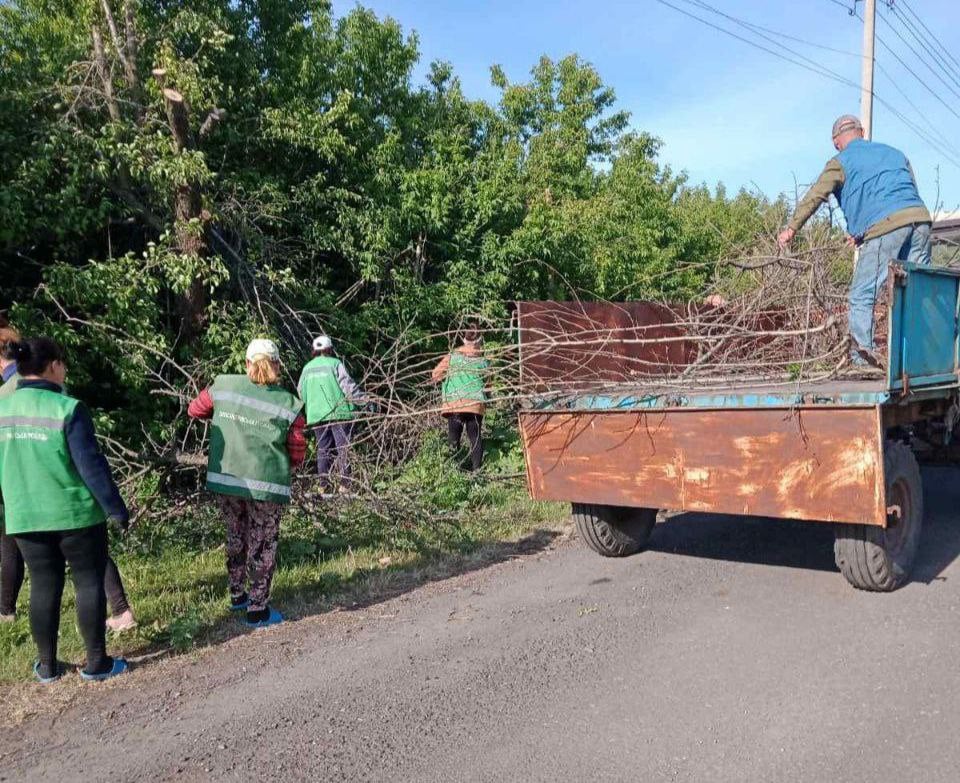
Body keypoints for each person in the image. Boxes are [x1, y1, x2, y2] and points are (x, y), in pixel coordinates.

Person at [0, 337, 129, 682]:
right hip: (75, 514)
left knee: (43, 586)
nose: (66, 370)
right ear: (53, 365)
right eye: (64, 363)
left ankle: (47, 667)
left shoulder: (2, 410)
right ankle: (97, 663)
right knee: (87, 583)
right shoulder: (67, 409)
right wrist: (116, 509)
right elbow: (92, 467)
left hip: (24, 516)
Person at [777, 114, 932, 367]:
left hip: (887, 227)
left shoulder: (840, 162)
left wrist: (791, 229)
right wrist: (862, 231)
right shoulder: (895, 153)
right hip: (920, 221)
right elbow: (907, 190)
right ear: (862, 132)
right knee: (915, 295)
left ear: (836, 142)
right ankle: (920, 362)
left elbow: (816, 195)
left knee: (862, 295)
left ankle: (862, 363)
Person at [188, 338, 305, 627]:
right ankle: (257, 609)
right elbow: (298, 448)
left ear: (246, 364)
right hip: (266, 484)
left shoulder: (223, 386)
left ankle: (237, 596)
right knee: (262, 543)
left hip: (229, 479)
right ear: (277, 365)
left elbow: (195, 409)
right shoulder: (287, 402)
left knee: (236, 536)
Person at [297, 335, 367, 494]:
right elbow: (347, 387)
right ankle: (345, 486)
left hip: (317, 416)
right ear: (330, 349)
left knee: (323, 449)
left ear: (314, 351)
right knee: (343, 449)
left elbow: (301, 391)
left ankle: (323, 485)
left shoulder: (307, 368)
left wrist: (312, 406)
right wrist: (364, 401)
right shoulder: (335, 363)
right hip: (339, 413)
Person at [431, 327, 490, 471]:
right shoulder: (483, 362)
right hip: (475, 405)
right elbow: (488, 385)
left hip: (454, 404)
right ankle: (477, 472)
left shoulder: (452, 357)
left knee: (453, 438)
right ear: (480, 341)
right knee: (475, 438)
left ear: (464, 340)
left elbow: (435, 375)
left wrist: (448, 377)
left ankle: (453, 470)